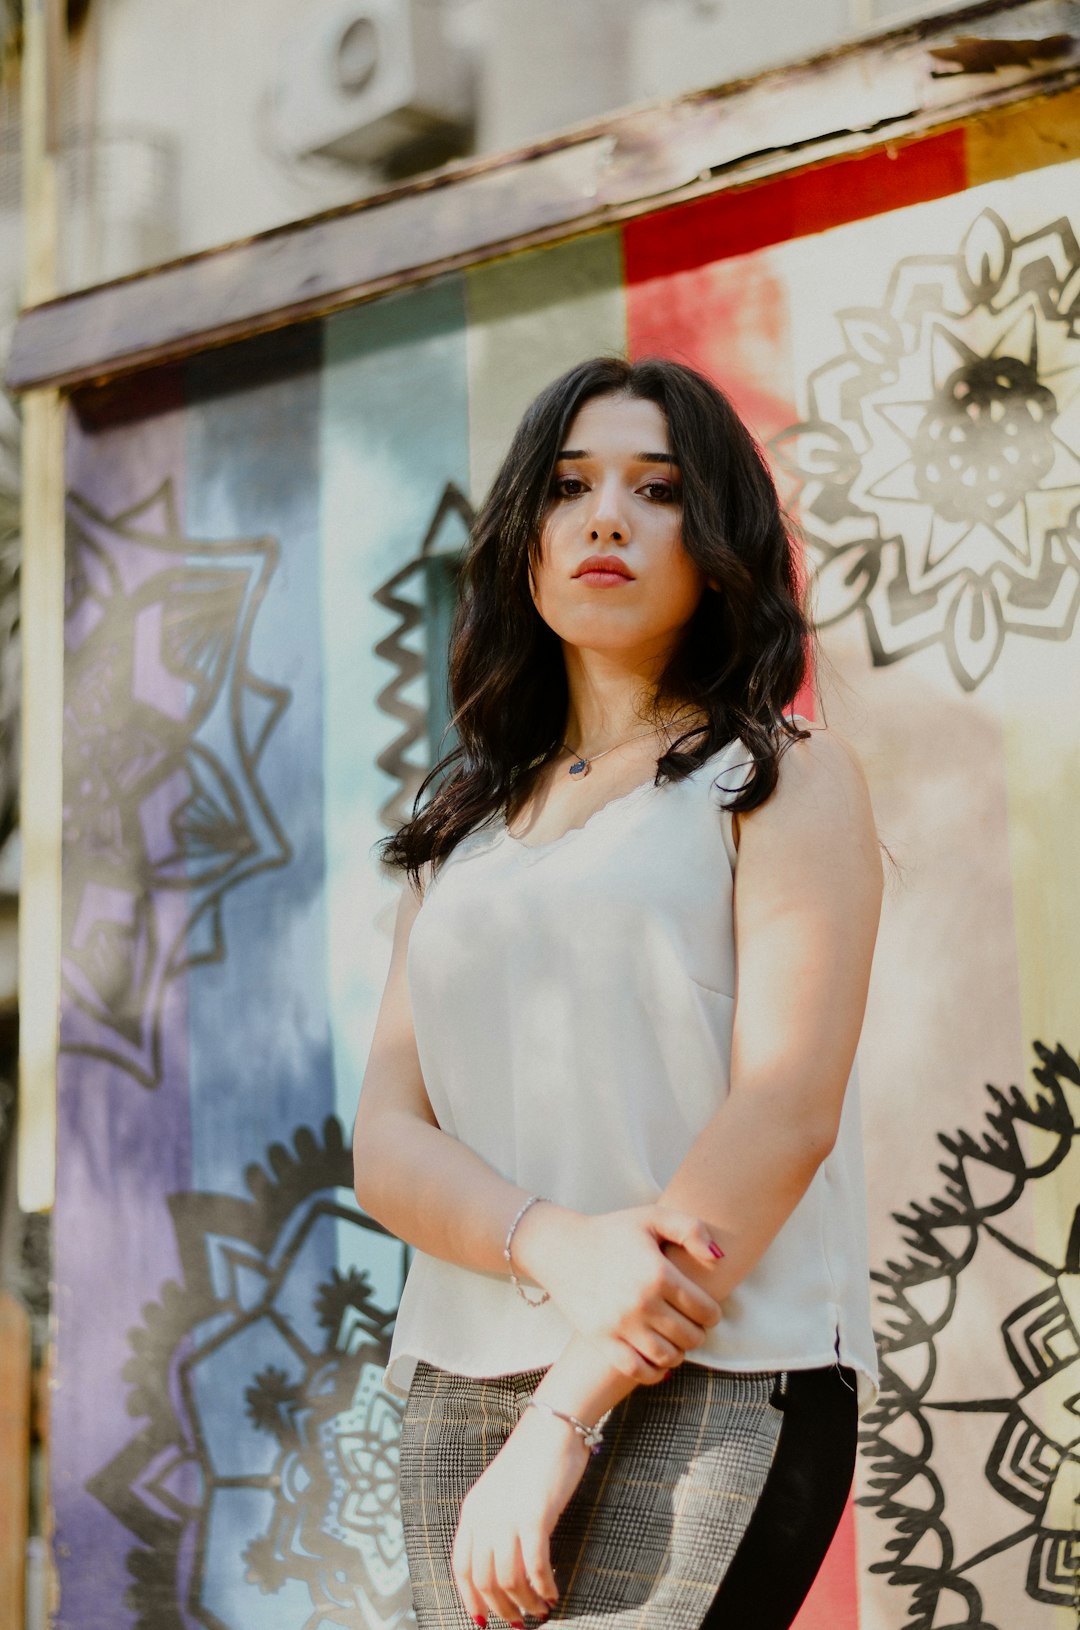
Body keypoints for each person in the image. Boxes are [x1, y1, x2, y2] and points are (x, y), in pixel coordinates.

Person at [353, 355, 883, 1630]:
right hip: (457, 1375)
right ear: (523, 543)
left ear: (718, 544)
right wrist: (558, 1242)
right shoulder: (457, 826)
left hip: (721, 1368)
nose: (606, 517)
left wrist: (565, 1410)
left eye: (656, 490)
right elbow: (385, 1136)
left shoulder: (779, 781)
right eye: (571, 486)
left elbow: (786, 1108)